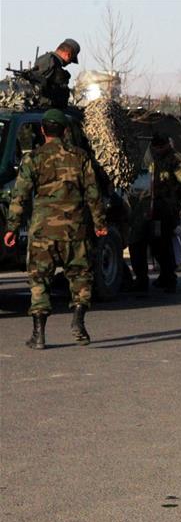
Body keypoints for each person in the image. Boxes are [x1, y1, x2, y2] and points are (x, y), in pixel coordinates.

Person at [3, 109, 107, 348]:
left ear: (42, 130)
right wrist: (100, 224)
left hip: (43, 231)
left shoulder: (33, 159)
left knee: (40, 280)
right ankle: (78, 322)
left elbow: (20, 196)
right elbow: (93, 193)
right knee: (81, 277)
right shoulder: (80, 157)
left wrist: (12, 227)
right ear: (65, 130)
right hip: (75, 230)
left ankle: (39, 335)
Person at [128, 134, 181, 293]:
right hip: (143, 208)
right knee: (137, 244)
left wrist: (172, 197)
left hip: (164, 210)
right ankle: (142, 280)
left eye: (159, 147)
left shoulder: (175, 160)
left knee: (161, 246)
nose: (156, 150)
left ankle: (169, 278)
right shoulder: (148, 159)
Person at [21, 39, 80, 109]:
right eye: (71, 60)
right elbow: (38, 84)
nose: (69, 63)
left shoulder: (52, 61)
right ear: (68, 55)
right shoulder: (50, 61)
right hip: (45, 109)